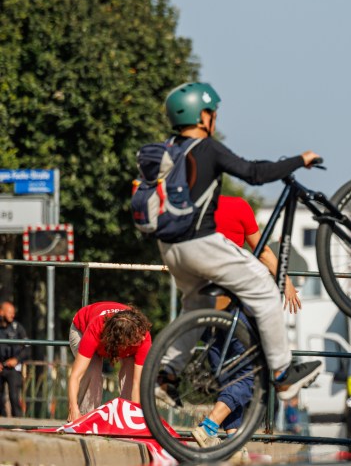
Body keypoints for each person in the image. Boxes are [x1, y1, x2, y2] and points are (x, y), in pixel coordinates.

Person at [154, 82, 322, 446]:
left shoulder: (167, 151)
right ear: (202, 116)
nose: (215, 119)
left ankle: (167, 375)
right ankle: (282, 372)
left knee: (194, 305)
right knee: (263, 286)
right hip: (197, 242)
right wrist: (299, 160)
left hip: (169, 249)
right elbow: (254, 172)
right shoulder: (207, 147)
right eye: (212, 113)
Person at [190, 194, 303, 449]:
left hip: (197, 305)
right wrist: (286, 282)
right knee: (250, 370)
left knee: (226, 374)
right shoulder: (236, 206)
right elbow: (262, 252)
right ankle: (209, 425)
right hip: (229, 303)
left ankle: (232, 439)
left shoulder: (190, 206)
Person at [67, 302, 152, 422]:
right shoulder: (96, 329)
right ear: (120, 341)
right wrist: (73, 408)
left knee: (131, 369)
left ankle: (126, 417)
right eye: (135, 340)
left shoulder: (143, 337)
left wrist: (135, 419)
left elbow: (137, 382)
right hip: (82, 328)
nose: (141, 340)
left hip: (117, 336)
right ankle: (85, 417)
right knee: (93, 367)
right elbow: (76, 375)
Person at [0, 301, 28, 417]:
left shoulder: (18, 328)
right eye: (9, 312)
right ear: (1, 312)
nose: (12, 315)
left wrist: (17, 359)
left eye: (13, 313)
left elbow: (27, 347)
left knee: (14, 396)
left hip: (13, 367)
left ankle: (18, 424)